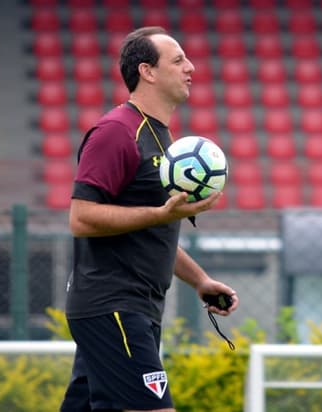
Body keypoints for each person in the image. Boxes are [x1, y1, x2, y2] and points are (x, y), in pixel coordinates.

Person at [60, 26, 239, 412]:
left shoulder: (162, 140)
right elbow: (81, 217)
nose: (190, 67)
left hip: (132, 308)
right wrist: (160, 213)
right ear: (148, 71)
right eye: (178, 60)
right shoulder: (116, 132)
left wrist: (200, 280)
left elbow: (149, 228)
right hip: (114, 306)